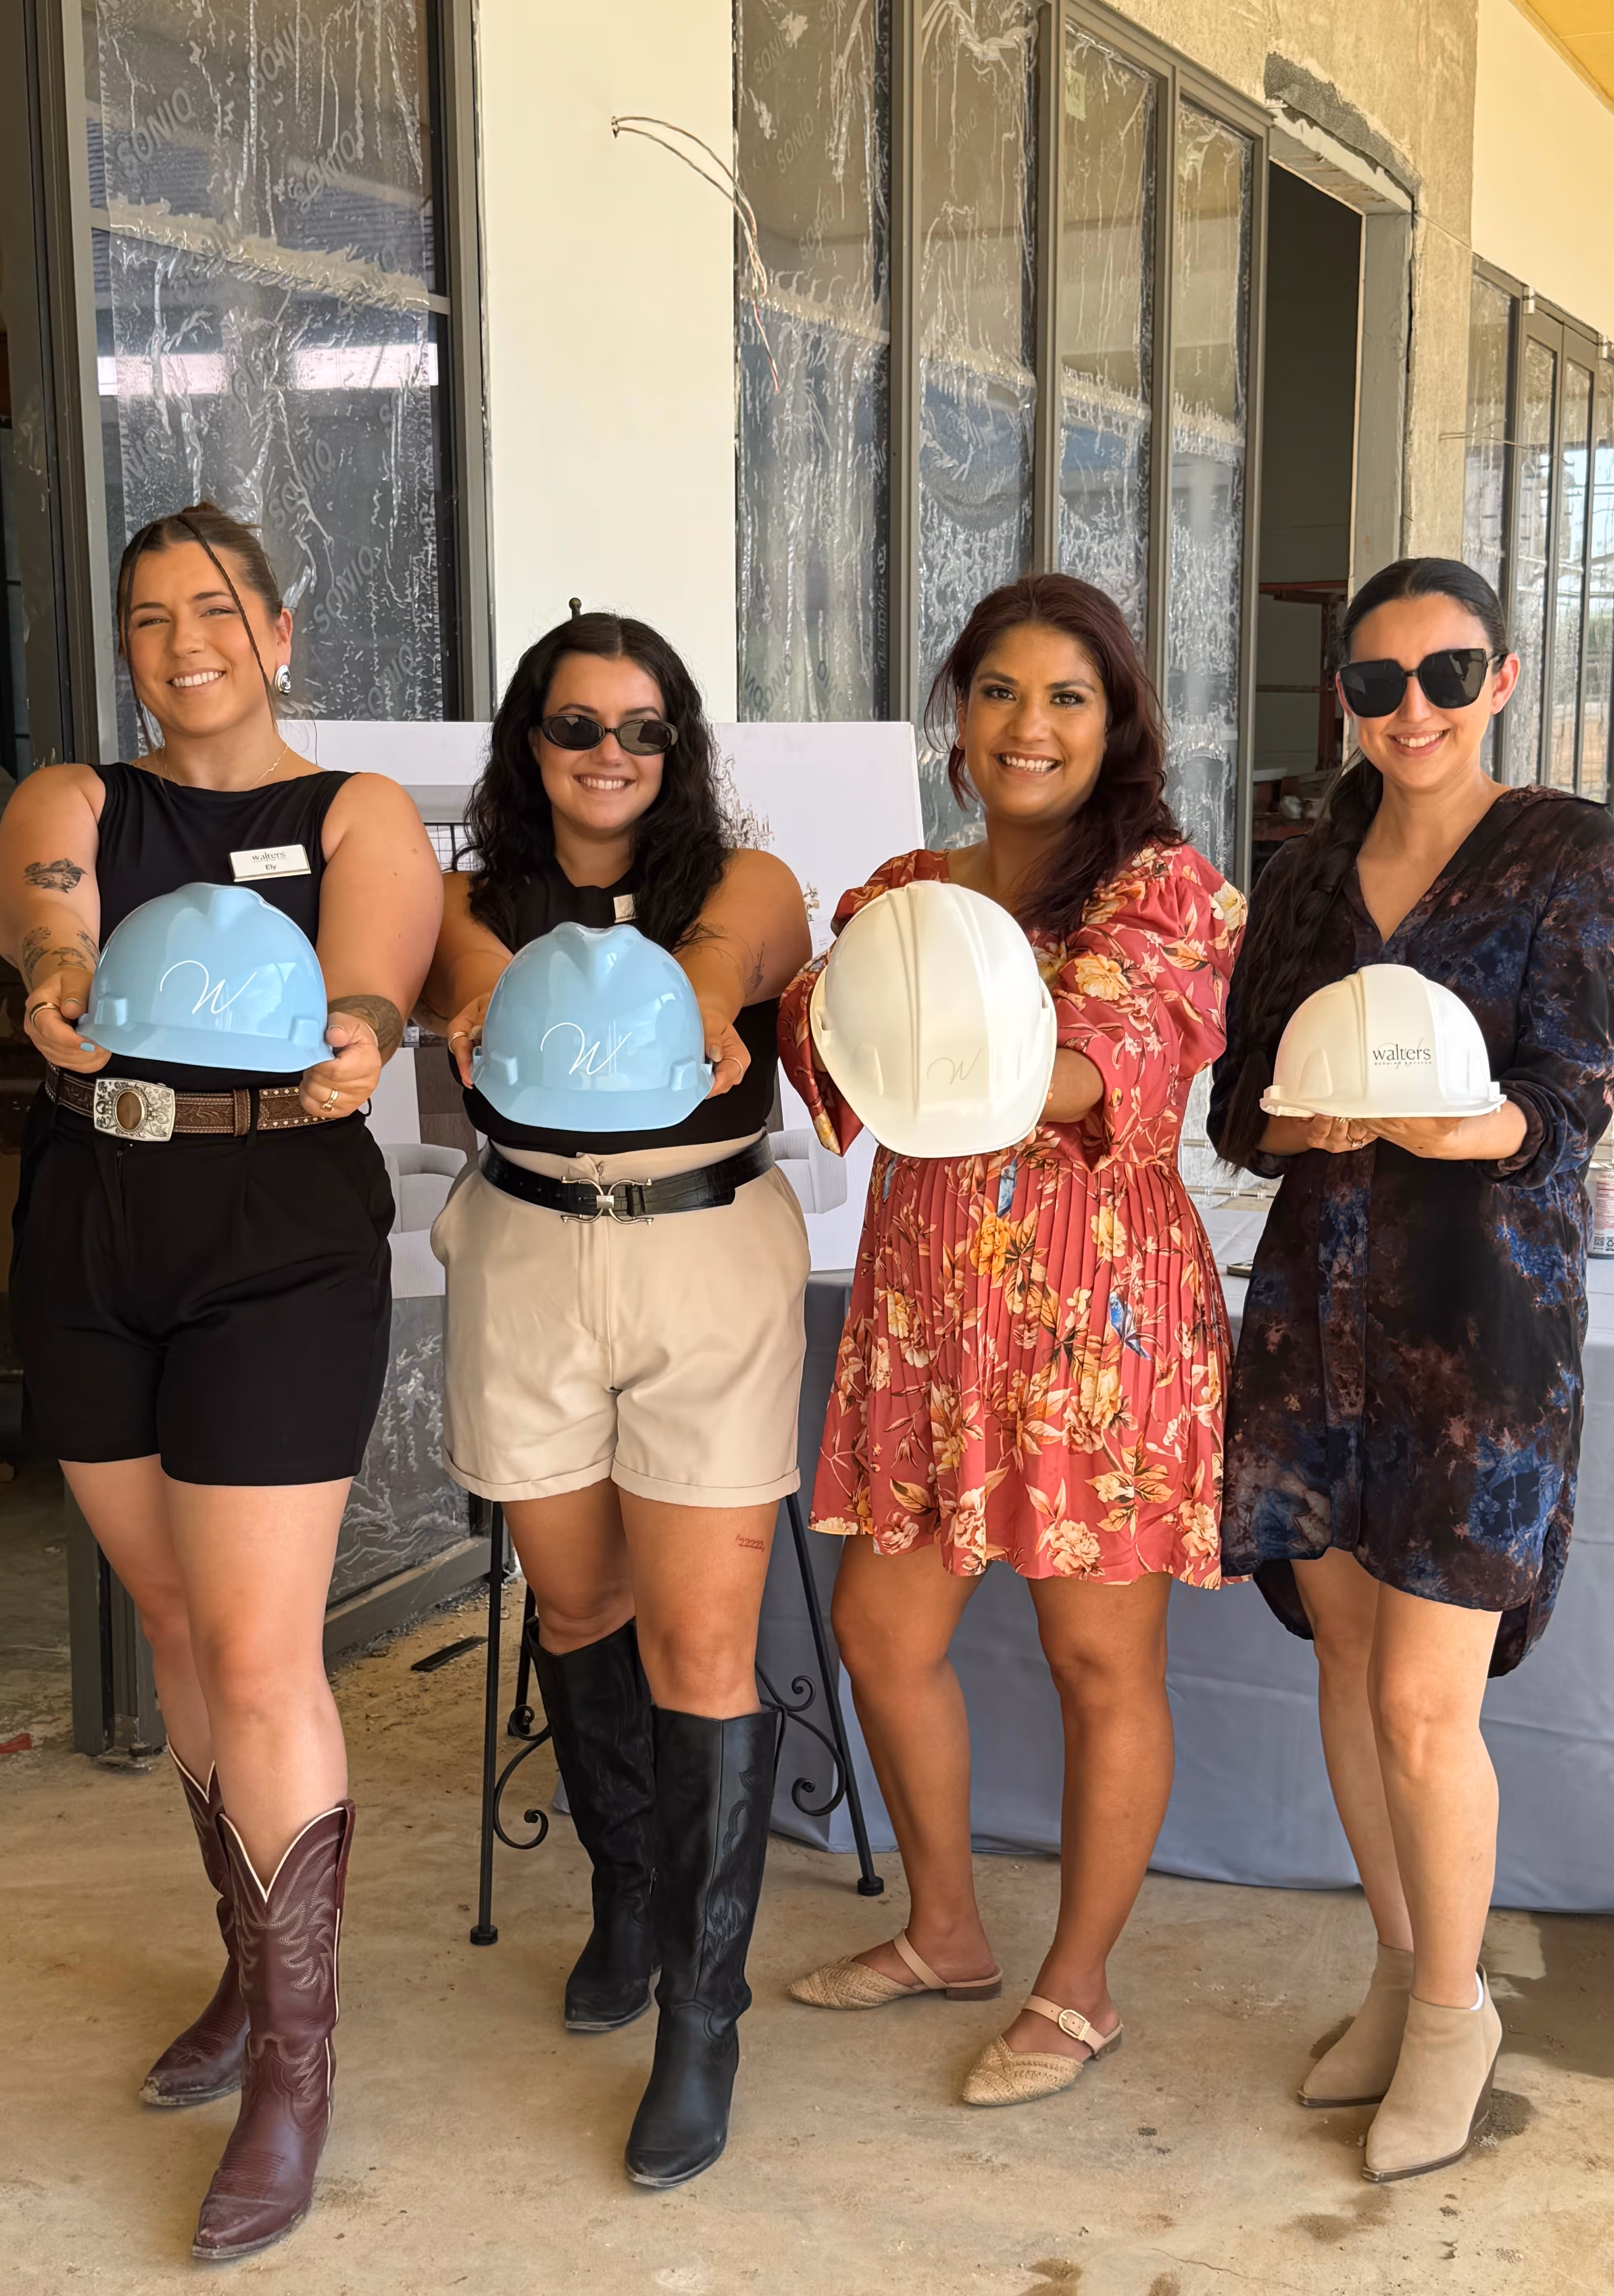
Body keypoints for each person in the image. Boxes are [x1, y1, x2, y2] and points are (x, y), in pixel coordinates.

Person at [0, 502, 442, 2256]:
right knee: (177, 1631)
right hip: (96, 1217)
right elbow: (51, 922)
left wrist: (363, 1034)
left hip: (277, 1227)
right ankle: (247, 1976)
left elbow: (379, 964)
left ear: (280, 629)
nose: (181, 638)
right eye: (147, 615)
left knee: (259, 1650)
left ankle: (295, 2070)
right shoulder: (79, 801)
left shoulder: (353, 812)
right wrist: (51, 987)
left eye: (215, 607)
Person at [782, 574, 1245, 2107]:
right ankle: (947, 1930)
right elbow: (827, 1042)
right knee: (877, 1631)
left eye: (1066, 697)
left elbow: (1079, 1075)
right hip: (928, 1316)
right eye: (997, 692)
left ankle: (1079, 1985)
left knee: (1094, 1654)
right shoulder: (907, 880)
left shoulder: (1165, 888)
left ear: (1115, 725)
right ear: (957, 716)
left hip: (1100, 1322)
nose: (1027, 724)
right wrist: (841, 995)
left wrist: (908, 1010)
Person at [1209, 556, 1614, 2181]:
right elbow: (1244, 1102)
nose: (1411, 711)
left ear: (1501, 679)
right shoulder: (1306, 872)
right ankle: (1394, 1968)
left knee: (1420, 1699)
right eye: (1375, 684)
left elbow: (1578, 1095)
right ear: (1344, 700)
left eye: (1445, 676)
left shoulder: (1570, 852)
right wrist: (1293, 1123)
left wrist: (1483, 1125)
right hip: (1318, 1306)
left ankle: (1455, 2010)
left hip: (1479, 1319)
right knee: (1339, 1664)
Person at [421, 606, 811, 2187]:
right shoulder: (471, 902)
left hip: (700, 1246)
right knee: (576, 1610)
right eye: (576, 725)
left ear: (682, 746)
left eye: (642, 727)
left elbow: (723, 960)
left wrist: (700, 999)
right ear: (530, 742)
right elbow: (476, 978)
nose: (608, 754)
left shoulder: (747, 884)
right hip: (525, 1246)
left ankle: (700, 2023)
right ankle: (626, 1898)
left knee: (701, 1645)